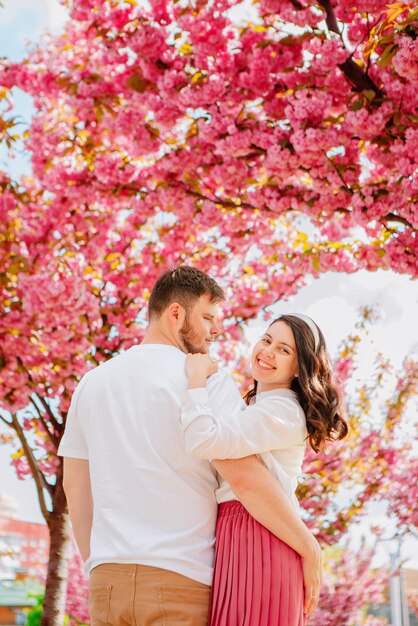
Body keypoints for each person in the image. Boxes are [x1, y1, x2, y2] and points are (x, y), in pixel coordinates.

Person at [59, 267, 321, 626]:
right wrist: (309, 546)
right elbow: (242, 475)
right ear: (176, 314)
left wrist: (96, 563)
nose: (215, 330)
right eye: (208, 317)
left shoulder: (91, 383)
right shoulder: (206, 379)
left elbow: (75, 484)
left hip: (108, 582)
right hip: (181, 579)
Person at [180, 313, 348, 626]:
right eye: (267, 340)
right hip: (242, 533)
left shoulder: (282, 410)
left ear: (300, 367)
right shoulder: (259, 408)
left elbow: (204, 441)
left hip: (261, 536)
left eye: (284, 350)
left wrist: (195, 382)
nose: (268, 351)